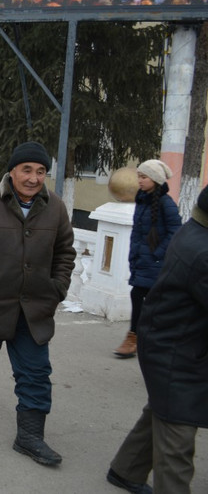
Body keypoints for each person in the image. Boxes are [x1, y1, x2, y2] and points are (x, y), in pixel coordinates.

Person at [0, 141, 75, 466]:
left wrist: (58, 287)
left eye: (41, 171)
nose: (34, 178)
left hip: (34, 309)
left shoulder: (55, 207)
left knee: (36, 373)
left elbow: (65, 251)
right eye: (27, 170)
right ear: (12, 171)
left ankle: (29, 437)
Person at [106, 184, 208, 494]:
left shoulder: (196, 231)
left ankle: (125, 470)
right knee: (177, 437)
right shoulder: (202, 251)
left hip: (173, 342)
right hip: (175, 351)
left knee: (163, 410)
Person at [113, 159, 181, 358]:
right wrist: (135, 255)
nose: (140, 181)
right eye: (139, 177)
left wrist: (157, 254)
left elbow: (176, 232)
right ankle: (149, 340)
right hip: (141, 260)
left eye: (144, 177)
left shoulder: (166, 203)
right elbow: (138, 233)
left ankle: (135, 338)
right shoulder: (143, 200)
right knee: (148, 300)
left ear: (155, 179)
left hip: (156, 262)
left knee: (141, 296)